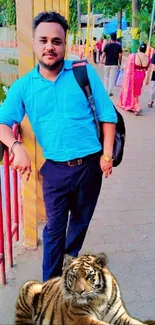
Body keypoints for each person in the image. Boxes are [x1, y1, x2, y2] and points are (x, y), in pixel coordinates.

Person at [0, 11, 117, 282]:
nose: (50, 46)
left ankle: (70, 256)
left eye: (56, 40)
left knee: (81, 219)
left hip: (91, 165)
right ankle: (50, 284)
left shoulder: (82, 72)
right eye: (44, 40)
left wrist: (107, 155)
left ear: (65, 43)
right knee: (54, 228)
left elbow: (107, 115)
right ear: (35, 43)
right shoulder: (23, 87)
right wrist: (16, 146)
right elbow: (3, 123)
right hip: (54, 171)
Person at [117, 43, 150, 116]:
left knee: (133, 91)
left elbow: (126, 65)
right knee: (137, 91)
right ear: (145, 50)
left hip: (134, 75)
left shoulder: (134, 56)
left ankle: (136, 107)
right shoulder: (147, 57)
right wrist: (147, 79)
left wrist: (123, 68)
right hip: (142, 75)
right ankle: (134, 105)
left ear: (139, 48)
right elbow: (148, 69)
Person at [100, 32, 122, 97]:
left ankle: (105, 90)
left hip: (107, 64)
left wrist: (101, 62)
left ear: (111, 38)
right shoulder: (119, 46)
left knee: (106, 77)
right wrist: (119, 63)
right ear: (116, 38)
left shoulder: (107, 45)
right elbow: (120, 56)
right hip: (114, 64)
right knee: (112, 78)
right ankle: (109, 92)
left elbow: (103, 55)